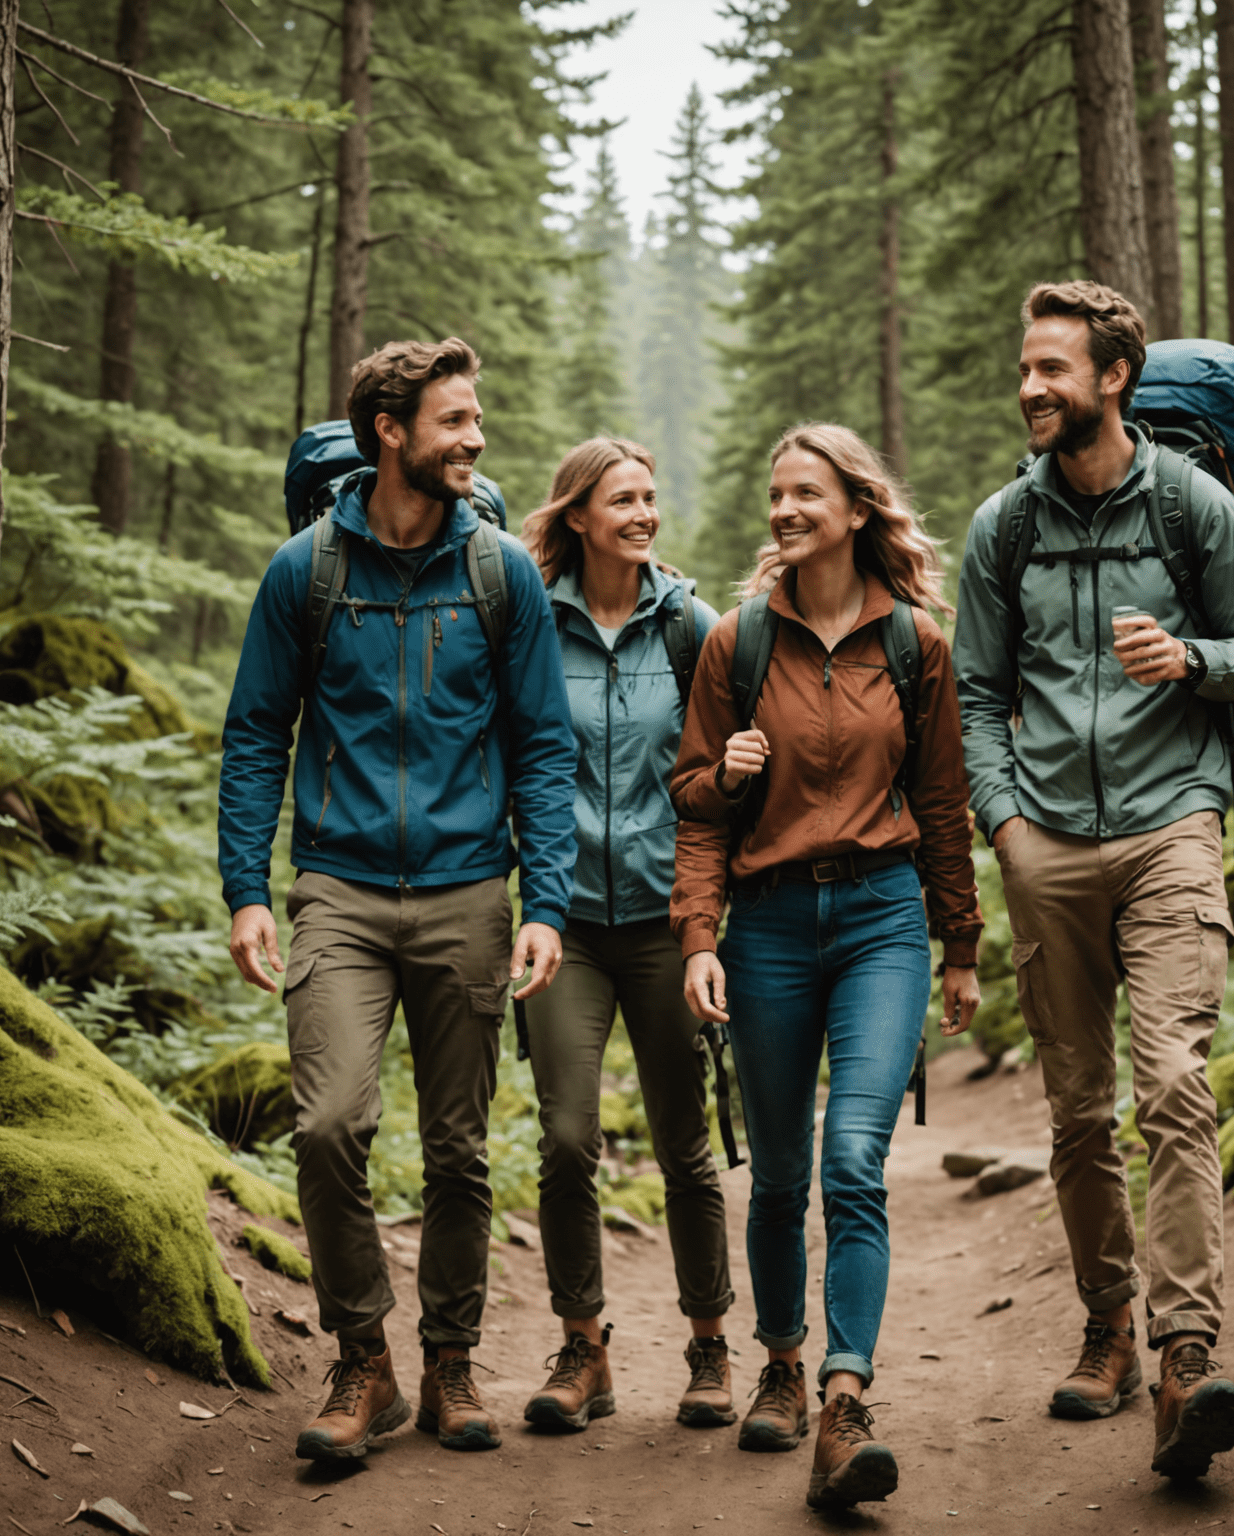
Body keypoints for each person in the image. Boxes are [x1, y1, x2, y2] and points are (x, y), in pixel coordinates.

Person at [952, 282, 1234, 1478]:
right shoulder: (1005, 525)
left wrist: (1190, 656)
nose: (1034, 387)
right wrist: (1005, 826)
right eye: (1027, 368)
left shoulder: (1192, 503)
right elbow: (978, 695)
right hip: (1045, 841)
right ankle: (1107, 1325)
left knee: (1177, 1086)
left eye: (1054, 368)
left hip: (1170, 828)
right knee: (1078, 1112)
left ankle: (1185, 1354)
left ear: (1115, 379)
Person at [218, 338, 577, 1462]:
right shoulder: (307, 571)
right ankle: (363, 1359)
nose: (474, 440)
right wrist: (247, 889)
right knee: (329, 1125)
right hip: (338, 890)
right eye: (454, 421)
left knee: (460, 1153)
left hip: (472, 892)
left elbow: (543, 746)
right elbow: (253, 737)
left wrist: (544, 901)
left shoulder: (500, 571)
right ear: (390, 431)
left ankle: (451, 1366)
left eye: (476, 421)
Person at [670, 422, 982, 1512]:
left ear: (856, 509)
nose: (786, 510)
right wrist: (698, 936)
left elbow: (944, 804)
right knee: (780, 1172)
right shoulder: (736, 643)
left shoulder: (915, 647)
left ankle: (846, 1397)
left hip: (880, 923)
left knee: (854, 1158)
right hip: (762, 928)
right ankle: (783, 1363)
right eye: (776, 495)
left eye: (806, 493)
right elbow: (694, 804)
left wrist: (961, 945)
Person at [515, 438, 736, 1433]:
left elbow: (708, 783)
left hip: (662, 920)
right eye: (624, 500)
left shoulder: (687, 625)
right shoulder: (530, 622)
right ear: (577, 516)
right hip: (563, 926)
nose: (645, 513)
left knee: (685, 1147)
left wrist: (708, 924)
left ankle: (709, 1347)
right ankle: (584, 1350)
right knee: (566, 1141)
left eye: (652, 495)